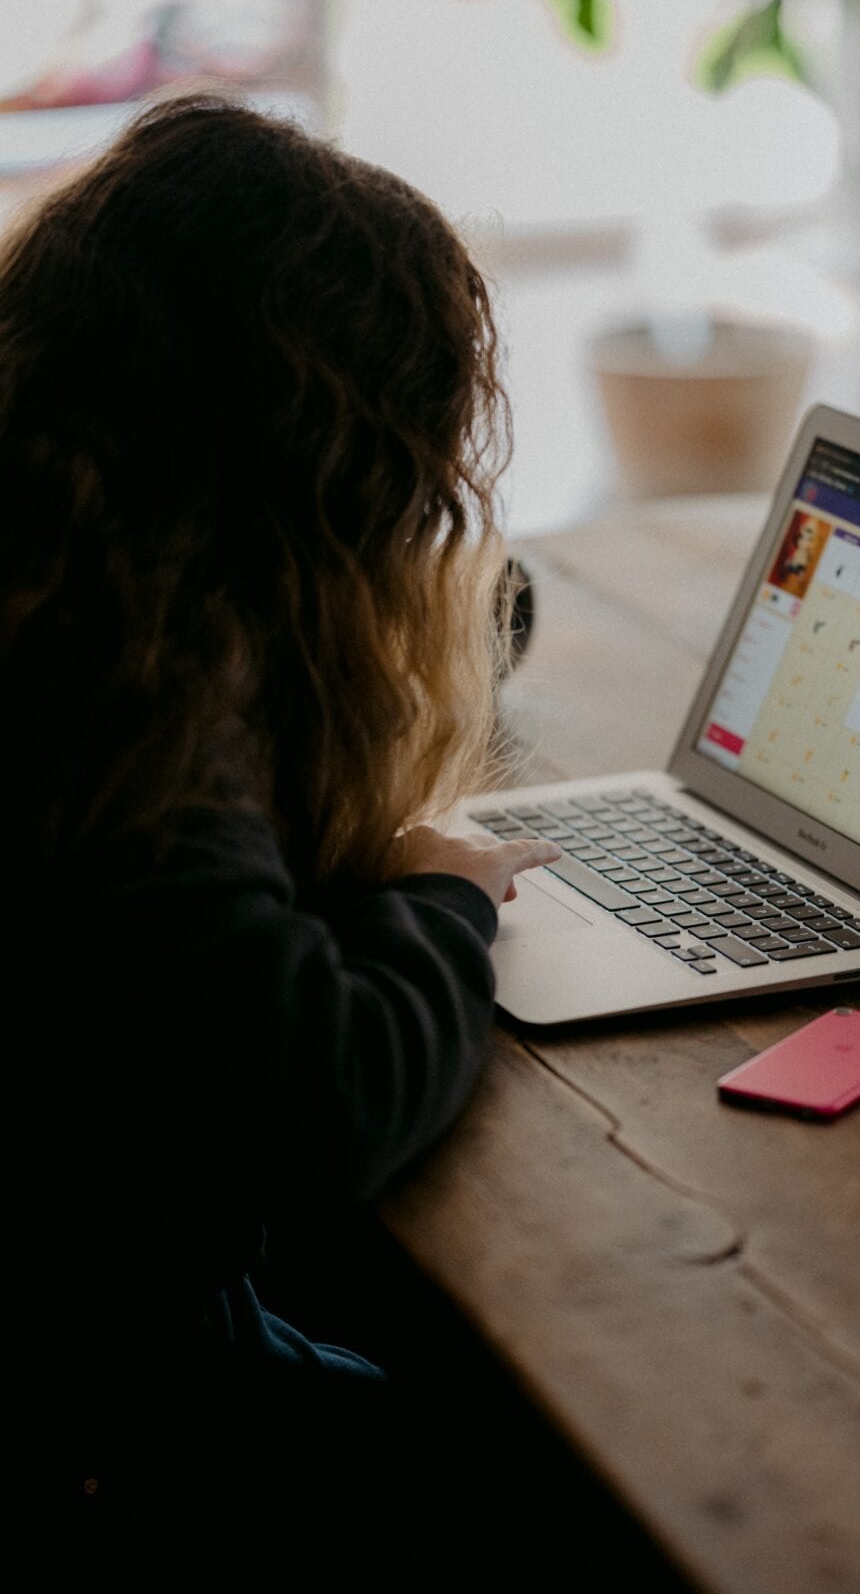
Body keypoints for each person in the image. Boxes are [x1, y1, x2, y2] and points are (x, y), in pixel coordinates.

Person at [0, 91, 563, 1513]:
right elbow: (323, 1100)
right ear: (326, 471)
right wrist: (442, 898)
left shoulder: (58, 568)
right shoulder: (131, 708)